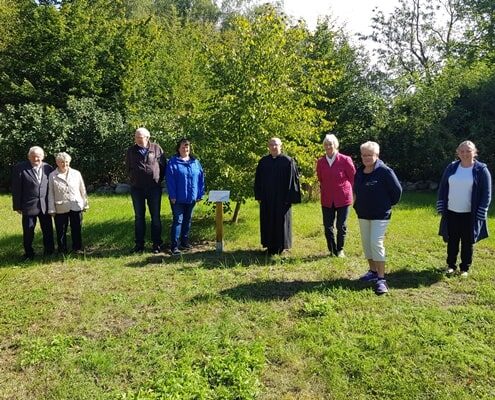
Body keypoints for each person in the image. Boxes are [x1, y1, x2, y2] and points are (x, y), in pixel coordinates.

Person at [437, 140, 492, 277]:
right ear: (458, 153)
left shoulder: (481, 170)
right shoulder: (451, 167)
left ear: (474, 152)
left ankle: (464, 268)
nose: (465, 154)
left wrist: (483, 210)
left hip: (470, 214)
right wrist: (441, 203)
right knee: (452, 240)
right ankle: (451, 265)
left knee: (467, 242)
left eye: (468, 151)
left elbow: (487, 193)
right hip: (452, 211)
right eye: (462, 151)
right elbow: (443, 187)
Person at [354, 141, 402, 295]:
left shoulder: (384, 171)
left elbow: (397, 191)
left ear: (376, 155)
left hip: (380, 215)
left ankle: (381, 279)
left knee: (376, 242)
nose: (366, 158)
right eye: (364, 155)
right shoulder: (360, 172)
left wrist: (385, 204)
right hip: (363, 213)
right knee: (367, 244)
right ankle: (372, 272)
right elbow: (356, 190)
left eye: (370, 155)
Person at [254, 137, 301, 255]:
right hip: (267, 198)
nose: (274, 147)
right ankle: (270, 246)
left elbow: (292, 181)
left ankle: (282, 246)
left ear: (281, 146)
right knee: (268, 221)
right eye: (271, 145)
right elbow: (258, 180)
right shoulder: (263, 162)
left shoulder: (288, 161)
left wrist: (289, 198)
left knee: (282, 222)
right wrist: (259, 196)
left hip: (282, 199)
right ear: (268, 147)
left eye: (276, 145)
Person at [126, 127, 166, 254]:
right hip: (137, 188)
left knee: (155, 217)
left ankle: (156, 244)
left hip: (154, 188)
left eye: (140, 137)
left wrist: (157, 179)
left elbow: (163, 166)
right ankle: (139, 245)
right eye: (136, 137)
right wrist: (134, 179)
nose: (137, 139)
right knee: (139, 217)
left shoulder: (156, 148)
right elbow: (127, 167)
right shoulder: (131, 151)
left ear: (147, 138)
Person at [12, 146, 55, 260]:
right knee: (28, 231)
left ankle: (49, 251)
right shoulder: (20, 168)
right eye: (33, 157)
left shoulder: (48, 168)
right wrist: (17, 206)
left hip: (44, 205)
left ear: (43, 156)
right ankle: (29, 253)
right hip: (28, 205)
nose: (36, 159)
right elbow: (16, 188)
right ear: (29, 157)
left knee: (48, 230)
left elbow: (51, 187)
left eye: (39, 156)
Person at [316, 134, 356, 257]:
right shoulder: (321, 162)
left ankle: (340, 249)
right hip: (327, 199)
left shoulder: (345, 159)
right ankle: (332, 250)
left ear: (335, 145)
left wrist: (355, 194)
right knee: (328, 226)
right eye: (326, 144)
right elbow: (320, 178)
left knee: (341, 225)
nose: (328, 146)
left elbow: (353, 178)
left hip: (343, 198)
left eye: (330, 144)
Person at [166, 138, 205, 256]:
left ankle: (184, 242)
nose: (185, 149)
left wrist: (200, 194)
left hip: (191, 198)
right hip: (177, 198)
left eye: (187, 146)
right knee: (178, 220)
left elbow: (201, 178)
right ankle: (174, 246)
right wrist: (172, 195)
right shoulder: (173, 162)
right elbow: (170, 180)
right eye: (183, 146)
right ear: (178, 148)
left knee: (188, 220)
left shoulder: (195, 162)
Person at [47, 152, 89, 254]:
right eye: (62, 162)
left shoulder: (76, 173)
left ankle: (77, 248)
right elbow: (50, 193)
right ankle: (62, 250)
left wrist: (85, 203)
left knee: (76, 228)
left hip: (76, 204)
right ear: (57, 162)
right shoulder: (52, 175)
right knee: (61, 230)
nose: (64, 164)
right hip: (60, 206)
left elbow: (82, 189)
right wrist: (51, 208)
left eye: (66, 162)